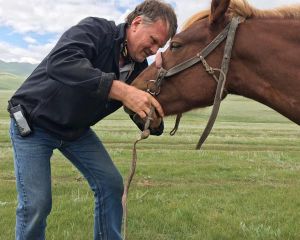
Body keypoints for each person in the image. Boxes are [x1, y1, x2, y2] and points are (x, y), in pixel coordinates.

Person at [7, 0, 177, 239]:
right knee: (37, 203)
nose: (154, 50)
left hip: (75, 131)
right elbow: (61, 62)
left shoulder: (139, 69)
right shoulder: (96, 30)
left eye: (160, 45)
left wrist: (154, 119)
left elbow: (138, 111)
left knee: (111, 184)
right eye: (153, 40)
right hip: (33, 123)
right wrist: (123, 90)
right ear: (136, 23)